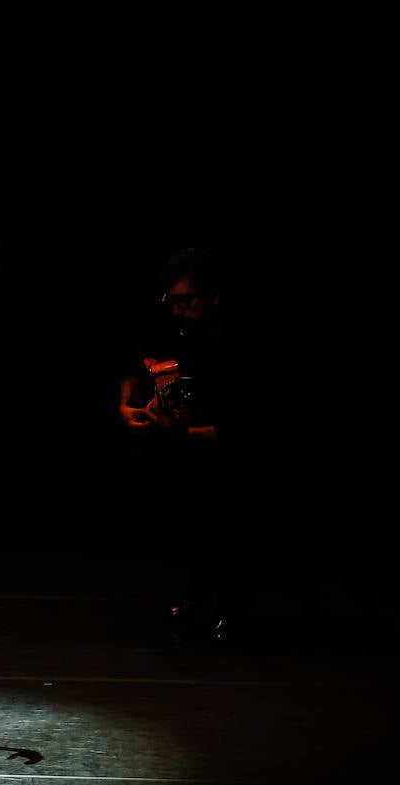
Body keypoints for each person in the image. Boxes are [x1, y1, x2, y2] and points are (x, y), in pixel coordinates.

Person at [115, 246, 248, 641]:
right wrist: (127, 403)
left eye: (186, 301)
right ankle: (199, 589)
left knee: (229, 504)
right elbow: (140, 358)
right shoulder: (176, 322)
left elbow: (244, 429)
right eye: (170, 301)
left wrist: (187, 433)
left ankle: (232, 605)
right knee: (183, 499)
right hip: (186, 441)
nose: (177, 310)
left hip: (233, 448)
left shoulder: (232, 340)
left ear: (214, 295)